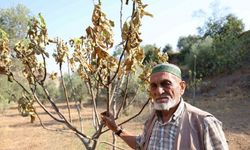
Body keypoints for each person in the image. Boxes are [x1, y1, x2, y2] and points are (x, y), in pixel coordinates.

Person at [101, 63, 228, 150]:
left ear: (182, 87)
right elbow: (141, 145)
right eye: (154, 86)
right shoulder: (153, 120)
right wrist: (116, 129)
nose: (159, 91)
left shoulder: (204, 123)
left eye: (166, 84)